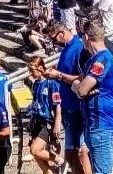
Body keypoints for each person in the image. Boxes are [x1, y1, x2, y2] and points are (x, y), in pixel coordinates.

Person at [44, 19, 91, 174]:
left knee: (80, 153)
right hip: (68, 107)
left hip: (77, 107)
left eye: (54, 38)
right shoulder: (66, 49)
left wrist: (59, 75)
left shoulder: (78, 48)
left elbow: (82, 78)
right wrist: (56, 74)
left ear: (62, 33)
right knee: (70, 155)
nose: (53, 42)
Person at [75, 22, 113, 174]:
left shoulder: (102, 60)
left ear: (87, 37)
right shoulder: (94, 59)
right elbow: (78, 85)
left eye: (82, 36)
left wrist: (79, 88)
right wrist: (78, 87)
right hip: (94, 124)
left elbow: (82, 90)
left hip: (101, 125)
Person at [26, 56, 63, 174]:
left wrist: (57, 124)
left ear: (41, 68)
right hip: (37, 120)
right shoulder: (35, 84)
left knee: (35, 150)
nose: (31, 74)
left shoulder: (51, 83)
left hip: (47, 121)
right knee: (36, 154)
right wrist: (31, 120)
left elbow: (58, 104)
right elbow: (35, 103)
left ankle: (59, 160)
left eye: (32, 70)